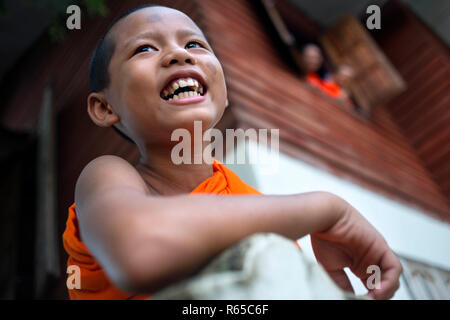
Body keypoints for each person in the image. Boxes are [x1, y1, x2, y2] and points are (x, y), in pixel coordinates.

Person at [62, 4, 402, 300]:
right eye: (144, 49)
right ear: (104, 108)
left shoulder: (246, 201)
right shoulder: (106, 176)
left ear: (223, 94)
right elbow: (139, 250)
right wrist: (329, 210)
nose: (180, 55)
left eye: (195, 44)